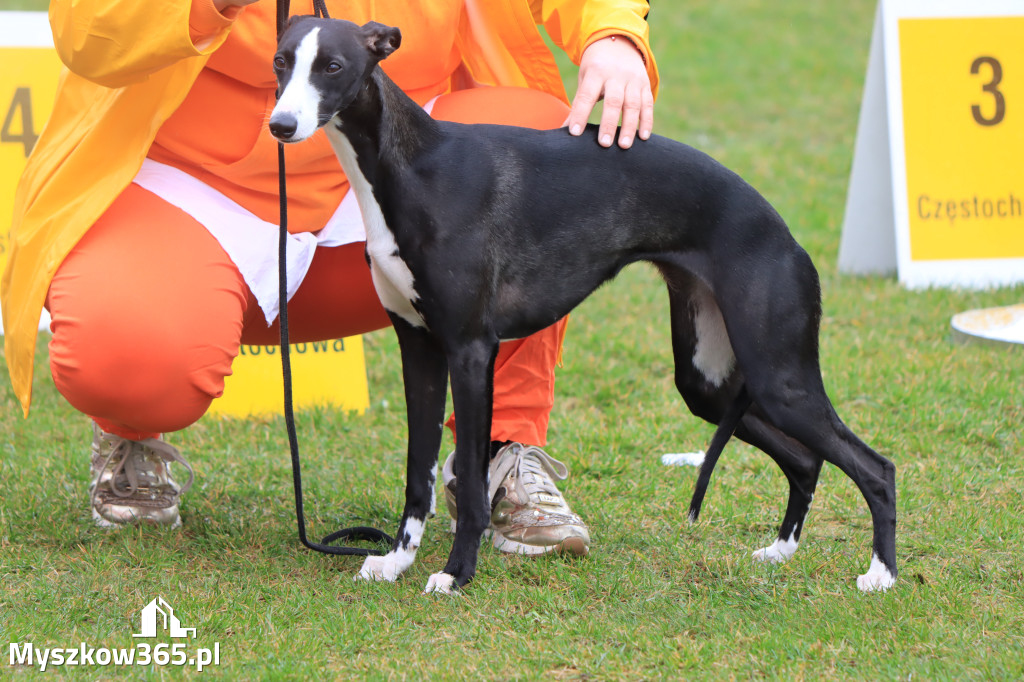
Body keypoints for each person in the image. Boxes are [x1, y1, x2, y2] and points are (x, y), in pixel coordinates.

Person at [2, 0, 659, 556]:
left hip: (396, 170)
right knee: (127, 355)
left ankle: (500, 452)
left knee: (537, 146)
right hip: (194, 183)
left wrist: (614, 33)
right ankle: (131, 433)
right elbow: (88, 33)